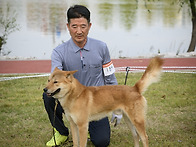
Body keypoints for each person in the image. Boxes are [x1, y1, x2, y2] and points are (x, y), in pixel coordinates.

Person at [43, 5, 121, 147]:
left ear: (90, 26)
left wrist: (117, 106)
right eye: (74, 26)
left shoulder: (102, 47)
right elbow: (56, 78)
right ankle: (61, 131)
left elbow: (110, 78)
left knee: (102, 142)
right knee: (48, 96)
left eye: (83, 26)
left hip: (96, 102)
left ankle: (86, 126)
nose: (79, 31)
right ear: (67, 26)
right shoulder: (58, 52)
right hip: (72, 100)